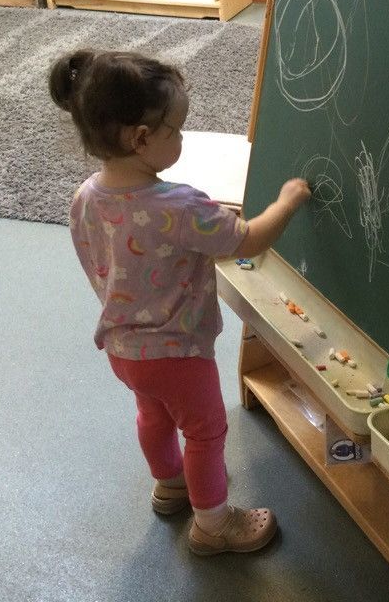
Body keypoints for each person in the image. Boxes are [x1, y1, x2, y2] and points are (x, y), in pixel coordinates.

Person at [49, 49, 310, 555]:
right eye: (177, 130)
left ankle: (170, 485)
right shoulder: (179, 206)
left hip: (125, 349)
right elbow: (248, 240)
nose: (183, 138)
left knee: (153, 415)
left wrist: (206, 219)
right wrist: (287, 202)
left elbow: (130, 245)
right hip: (179, 353)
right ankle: (213, 525)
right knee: (207, 433)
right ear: (141, 139)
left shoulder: (86, 196)